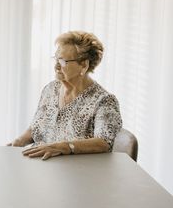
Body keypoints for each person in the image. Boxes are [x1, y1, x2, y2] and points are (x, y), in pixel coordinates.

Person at [9, 31, 122, 160]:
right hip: (42, 165)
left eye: (63, 61)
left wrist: (64, 147)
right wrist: (18, 143)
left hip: (78, 172)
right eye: (56, 58)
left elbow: (104, 142)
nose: (56, 66)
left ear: (84, 65)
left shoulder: (104, 101)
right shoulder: (50, 89)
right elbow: (36, 127)